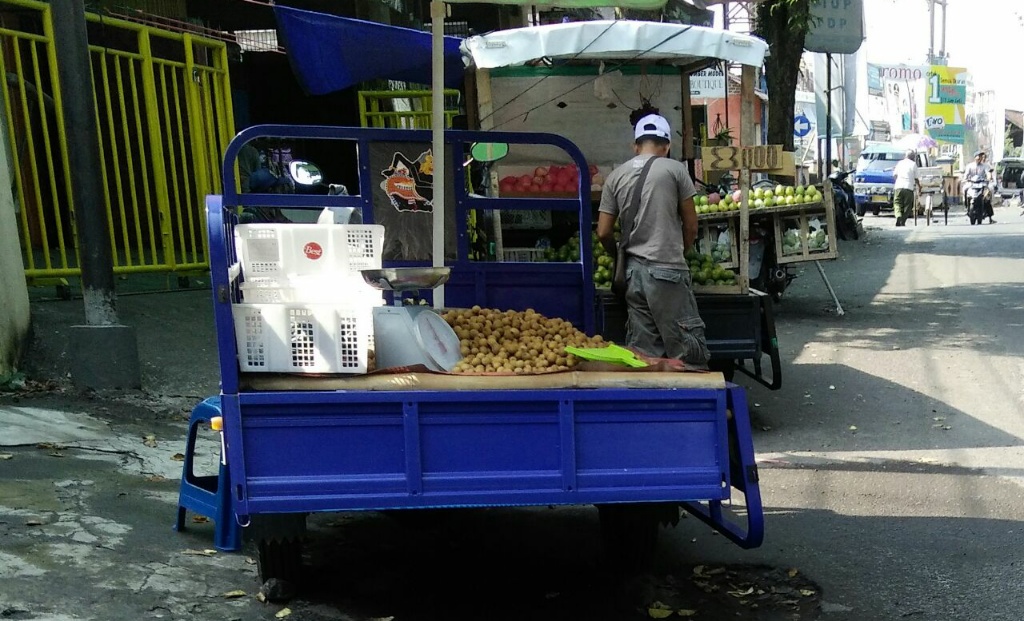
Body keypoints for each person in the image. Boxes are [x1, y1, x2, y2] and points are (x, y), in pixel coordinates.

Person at [596, 113, 710, 369]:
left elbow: (603, 232)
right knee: (687, 353)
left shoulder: (616, 176)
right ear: (667, 145)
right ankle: (692, 406)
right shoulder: (675, 170)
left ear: (635, 146)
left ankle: (652, 405)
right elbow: (691, 226)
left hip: (633, 275)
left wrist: (618, 258)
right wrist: (681, 251)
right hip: (667, 268)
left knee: (645, 358)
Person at [963, 150, 995, 224]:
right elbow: (966, 176)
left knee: (990, 190)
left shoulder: (985, 166)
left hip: (982, 183)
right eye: (978, 156)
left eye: (981, 157)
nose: (979, 158)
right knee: (964, 189)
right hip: (972, 184)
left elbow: (988, 174)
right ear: (975, 158)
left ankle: (989, 212)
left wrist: (989, 178)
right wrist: (965, 179)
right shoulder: (969, 166)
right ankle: (966, 204)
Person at [892, 149, 921, 227]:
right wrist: (919, 187)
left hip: (898, 186)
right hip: (908, 187)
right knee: (908, 206)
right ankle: (903, 221)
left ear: (905, 156)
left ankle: (898, 216)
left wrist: (897, 181)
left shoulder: (900, 163)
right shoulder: (913, 164)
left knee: (897, 203)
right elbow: (916, 178)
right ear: (913, 157)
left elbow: (894, 175)